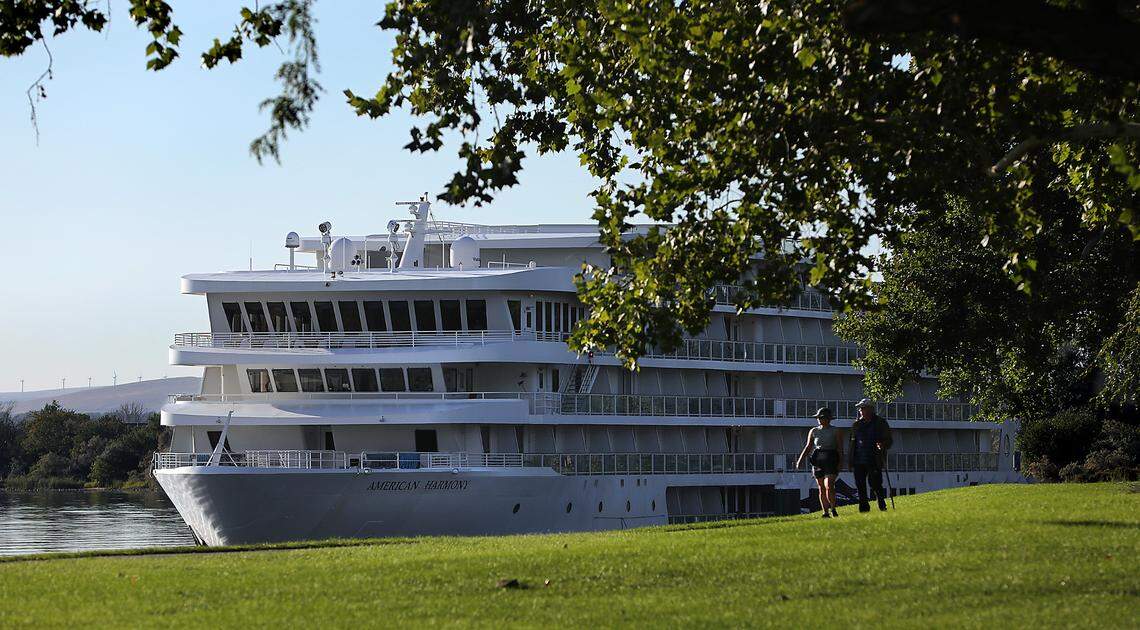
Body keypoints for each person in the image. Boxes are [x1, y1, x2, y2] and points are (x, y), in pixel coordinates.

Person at [795, 407, 843, 518]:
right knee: (821, 487)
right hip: (818, 460)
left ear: (828, 419)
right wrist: (800, 460)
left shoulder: (836, 430)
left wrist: (841, 462)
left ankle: (833, 508)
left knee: (829, 485)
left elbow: (840, 448)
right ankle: (825, 512)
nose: (819, 420)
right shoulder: (814, 431)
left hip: (831, 458)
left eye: (821, 418)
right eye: (818, 418)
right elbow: (808, 447)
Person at [848, 398, 893, 512]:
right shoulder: (856, 425)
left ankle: (881, 504)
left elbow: (889, 440)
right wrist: (850, 460)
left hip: (874, 458)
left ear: (870, 409)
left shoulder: (880, 423)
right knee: (860, 485)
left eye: (863, 408)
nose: (860, 411)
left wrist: (882, 444)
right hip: (858, 460)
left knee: (876, 484)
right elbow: (852, 443)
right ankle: (863, 508)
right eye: (860, 409)